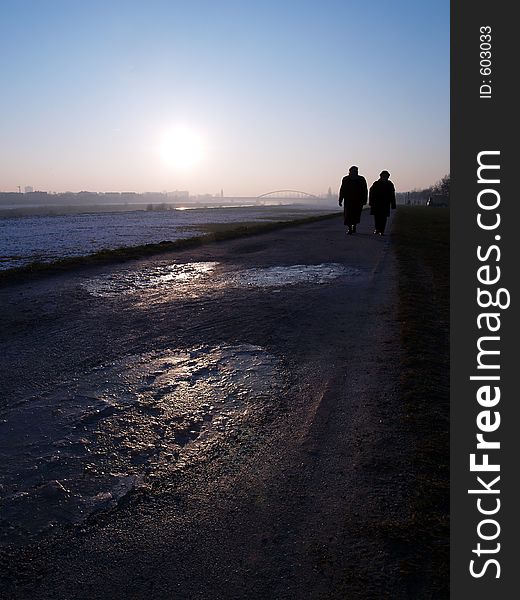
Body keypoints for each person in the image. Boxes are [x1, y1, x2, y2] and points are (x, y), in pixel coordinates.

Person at [338, 165, 368, 235]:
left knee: (356, 214)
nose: (354, 172)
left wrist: (364, 200)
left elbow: (365, 190)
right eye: (353, 171)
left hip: (358, 200)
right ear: (350, 171)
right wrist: (340, 199)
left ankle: (354, 226)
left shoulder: (361, 179)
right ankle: (350, 228)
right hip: (348, 200)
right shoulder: (345, 179)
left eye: (355, 171)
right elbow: (342, 189)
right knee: (348, 215)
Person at [369, 170, 396, 235]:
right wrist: (371, 202)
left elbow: (392, 195)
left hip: (385, 203)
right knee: (377, 217)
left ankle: (381, 230)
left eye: (386, 176)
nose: (385, 177)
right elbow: (371, 193)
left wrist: (393, 204)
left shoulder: (390, 184)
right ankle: (377, 229)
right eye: (384, 176)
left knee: (383, 218)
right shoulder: (376, 184)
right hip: (377, 203)